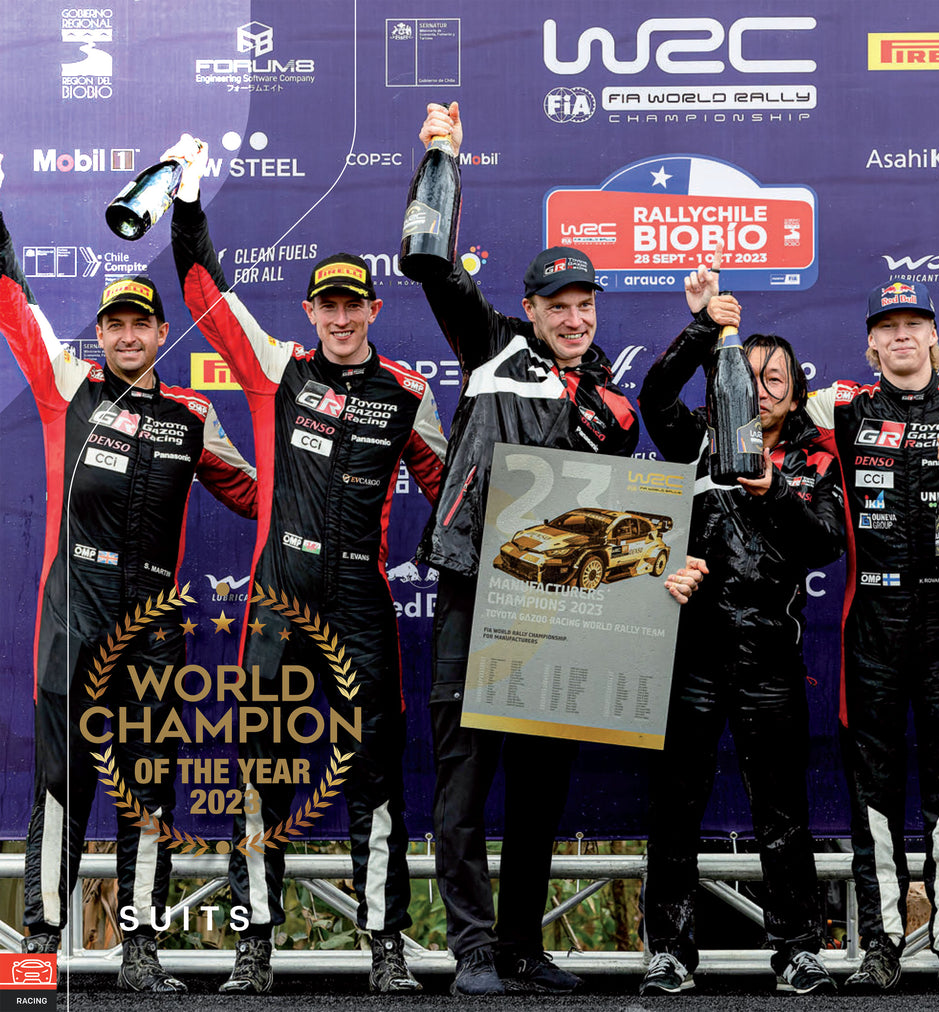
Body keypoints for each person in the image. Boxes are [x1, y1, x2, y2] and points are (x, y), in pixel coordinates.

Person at [167, 136, 447, 994]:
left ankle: (385, 944)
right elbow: (206, 295)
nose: (340, 318)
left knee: (375, 775)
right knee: (262, 771)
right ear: (310, 310)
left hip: (361, 597)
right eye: (327, 306)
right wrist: (187, 205)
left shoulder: (408, 394)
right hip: (279, 599)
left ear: (373, 309)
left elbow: (452, 490)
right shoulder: (276, 372)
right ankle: (255, 943)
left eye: (353, 305)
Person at [0, 156, 257, 992]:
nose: (127, 337)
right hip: (72, 613)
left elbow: (259, 495)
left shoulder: (193, 414)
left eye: (140, 324)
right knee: (59, 786)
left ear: (159, 332)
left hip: (151, 625)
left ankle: (140, 953)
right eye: (113, 325)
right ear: (101, 334)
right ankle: (40, 948)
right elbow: (12, 300)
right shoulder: (65, 389)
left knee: (149, 792)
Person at [413, 102, 640, 996]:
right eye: (558, 306)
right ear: (533, 309)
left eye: (586, 305)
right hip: (476, 585)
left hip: (559, 605)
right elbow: (431, 261)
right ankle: (471, 949)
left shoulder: (614, 407)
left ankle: (519, 946)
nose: (574, 319)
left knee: (541, 786)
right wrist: (442, 156)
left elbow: (618, 511)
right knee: (465, 781)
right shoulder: (491, 346)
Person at [635, 264, 845, 996]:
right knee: (675, 809)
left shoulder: (815, 455)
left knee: (782, 812)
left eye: (774, 378)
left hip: (771, 658)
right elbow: (653, 395)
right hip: (690, 652)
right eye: (748, 375)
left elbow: (826, 543)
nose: (760, 387)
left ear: (795, 389)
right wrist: (705, 327)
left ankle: (797, 950)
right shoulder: (696, 435)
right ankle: (669, 952)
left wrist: (776, 490)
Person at [804, 280, 939, 993]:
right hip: (872, 624)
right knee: (874, 793)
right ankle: (882, 944)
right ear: (870, 343)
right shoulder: (843, 407)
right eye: (887, 326)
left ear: (935, 337)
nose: (901, 335)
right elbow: (767, 404)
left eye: (914, 323)